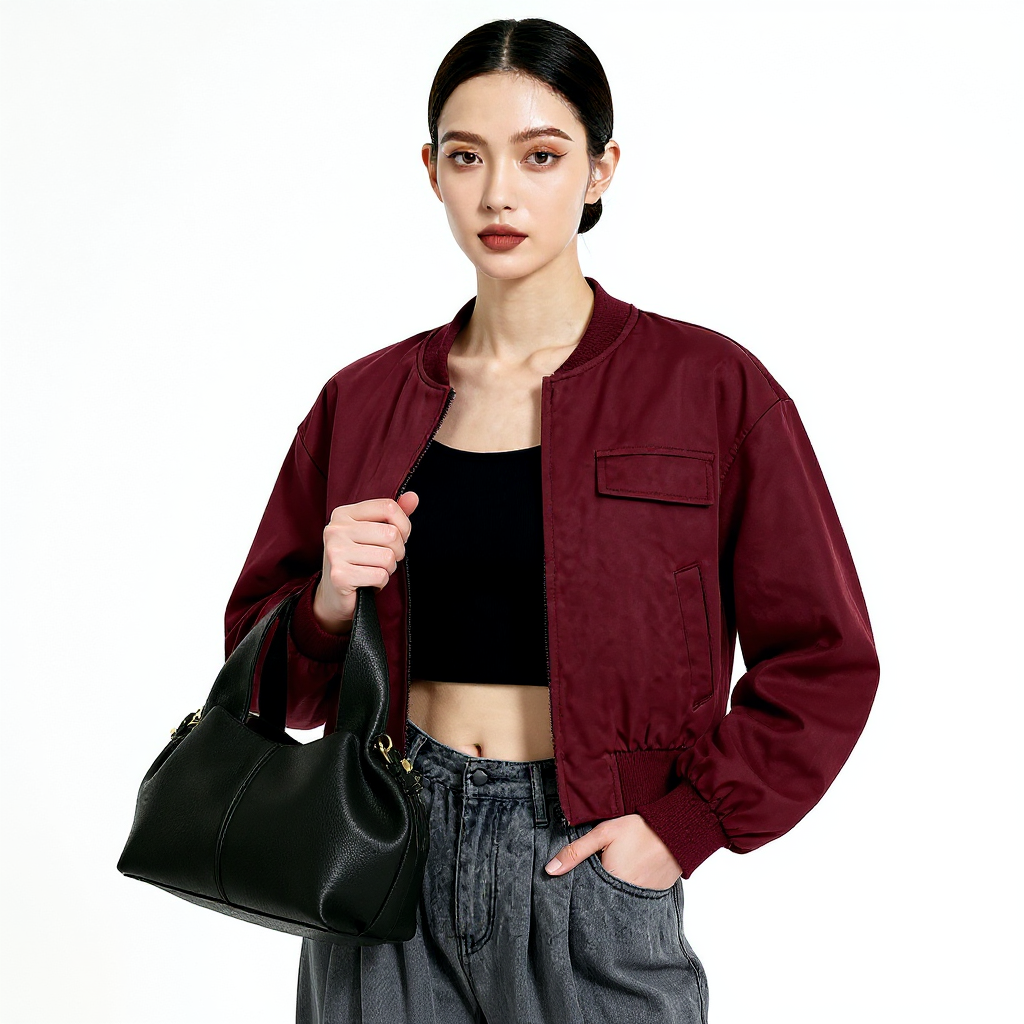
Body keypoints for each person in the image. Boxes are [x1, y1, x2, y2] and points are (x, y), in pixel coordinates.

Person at [224, 17, 880, 1024]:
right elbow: (275, 681)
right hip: (384, 849)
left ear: (600, 168)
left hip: (587, 861)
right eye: (466, 156)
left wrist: (683, 825)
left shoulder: (710, 390)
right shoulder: (362, 401)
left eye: (540, 156)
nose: (498, 194)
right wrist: (322, 600)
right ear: (430, 171)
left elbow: (825, 658)